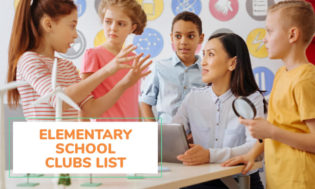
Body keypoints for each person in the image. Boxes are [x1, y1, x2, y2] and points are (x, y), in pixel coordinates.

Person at [222, 1, 315, 189]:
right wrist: (252, 154)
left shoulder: (305, 79)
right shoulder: (282, 74)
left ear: (292, 35)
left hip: (300, 181)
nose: (264, 39)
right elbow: (276, 126)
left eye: (269, 31)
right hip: (279, 179)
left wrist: (271, 131)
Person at [7, 0, 151, 121]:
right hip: (47, 148)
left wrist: (125, 83)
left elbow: (92, 110)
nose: (76, 35)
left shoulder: (66, 66)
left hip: (70, 148)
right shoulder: (29, 60)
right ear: (49, 25)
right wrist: (108, 70)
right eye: (72, 26)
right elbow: (59, 101)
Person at [173, 33, 266, 189]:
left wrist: (210, 155)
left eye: (210, 54)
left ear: (232, 63)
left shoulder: (251, 98)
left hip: (241, 181)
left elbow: (255, 147)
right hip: (199, 181)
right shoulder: (193, 97)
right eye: (203, 54)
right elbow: (170, 135)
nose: (203, 62)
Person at [80, 0, 147, 121]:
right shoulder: (93, 55)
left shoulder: (134, 60)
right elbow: (82, 107)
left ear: (132, 27)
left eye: (121, 24)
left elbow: (135, 103)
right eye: (108, 22)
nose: (113, 28)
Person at [139, 11, 206, 123]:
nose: (183, 42)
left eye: (191, 36)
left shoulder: (207, 71)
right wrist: (155, 132)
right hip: (164, 135)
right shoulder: (159, 67)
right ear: (172, 38)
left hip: (197, 137)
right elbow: (145, 103)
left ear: (201, 38)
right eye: (178, 36)